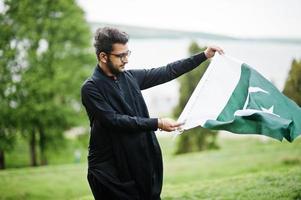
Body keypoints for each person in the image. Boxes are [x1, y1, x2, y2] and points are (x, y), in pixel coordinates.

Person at [81, 27, 224, 200]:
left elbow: (168, 71)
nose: (126, 60)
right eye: (121, 56)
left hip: (139, 161)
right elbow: (114, 121)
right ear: (103, 57)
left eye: (128, 53)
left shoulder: (130, 78)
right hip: (111, 171)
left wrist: (203, 56)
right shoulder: (91, 88)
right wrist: (157, 123)